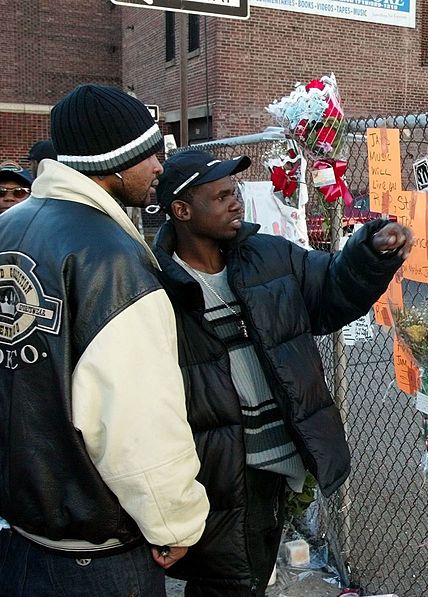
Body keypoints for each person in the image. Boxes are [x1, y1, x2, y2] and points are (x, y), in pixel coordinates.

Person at [152, 149, 411, 595]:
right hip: (218, 474)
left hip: (279, 466)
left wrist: (369, 253)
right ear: (182, 210)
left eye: (235, 192)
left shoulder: (267, 256)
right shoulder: (154, 285)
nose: (235, 202)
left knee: (244, 576)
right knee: (229, 581)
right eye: (220, 197)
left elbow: (329, 290)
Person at [0, 84, 210, 595]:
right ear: (117, 164)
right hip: (93, 555)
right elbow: (135, 419)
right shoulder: (111, 258)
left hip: (19, 533)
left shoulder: (9, 228)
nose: (161, 165)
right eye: (151, 153)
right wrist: (174, 522)